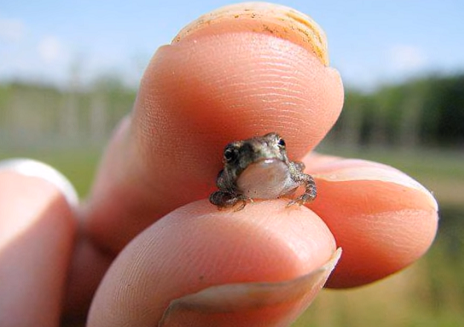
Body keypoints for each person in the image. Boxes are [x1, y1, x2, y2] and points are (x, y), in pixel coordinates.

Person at [0, 3, 438, 326]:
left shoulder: (291, 172)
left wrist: (296, 193)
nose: (259, 155)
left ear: (282, 151)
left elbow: (307, 182)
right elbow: (218, 191)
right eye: (235, 154)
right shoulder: (230, 182)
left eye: (276, 145)